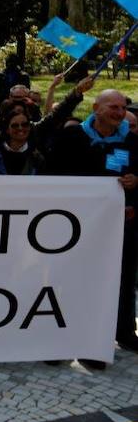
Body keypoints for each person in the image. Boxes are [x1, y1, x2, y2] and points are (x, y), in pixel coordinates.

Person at [47, 89, 138, 367]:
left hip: (121, 228)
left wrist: (137, 184)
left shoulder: (133, 142)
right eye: (113, 106)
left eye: (123, 108)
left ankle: (114, 335)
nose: (119, 112)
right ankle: (58, 340)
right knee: (71, 282)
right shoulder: (71, 137)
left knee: (117, 283)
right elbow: (51, 175)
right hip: (76, 228)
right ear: (96, 107)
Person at [0, 110, 45, 175]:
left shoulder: (37, 158)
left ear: (29, 127)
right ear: (7, 130)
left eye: (25, 124)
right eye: (15, 125)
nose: (20, 128)